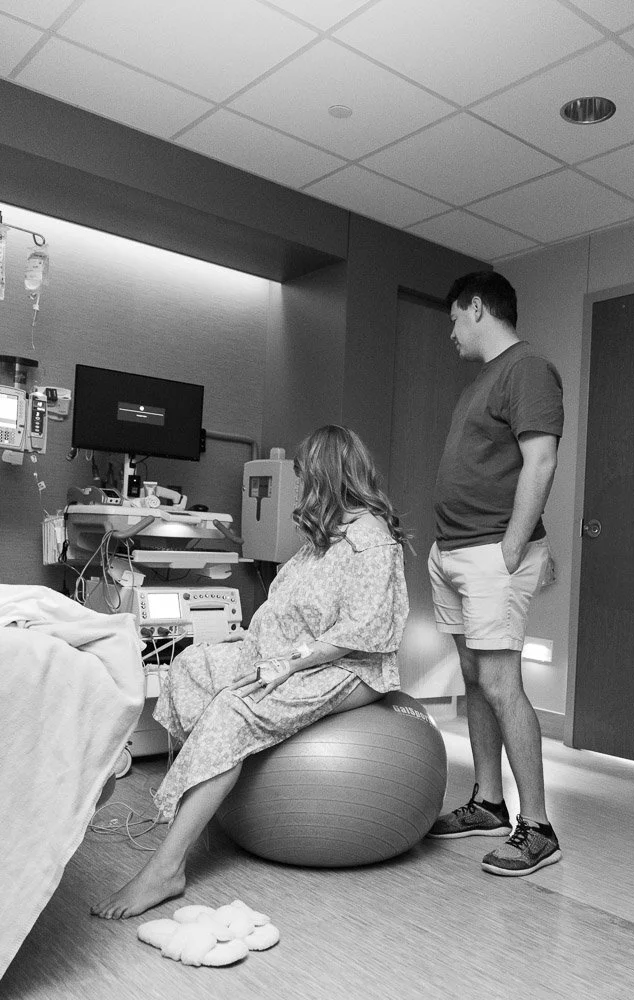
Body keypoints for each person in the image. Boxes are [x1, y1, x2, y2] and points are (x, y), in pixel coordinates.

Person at [92, 424, 409, 919]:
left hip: (349, 667)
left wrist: (285, 663)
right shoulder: (326, 537)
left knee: (232, 711)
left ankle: (166, 869)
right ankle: (203, 805)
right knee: (191, 667)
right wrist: (254, 640)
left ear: (327, 477)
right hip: (290, 650)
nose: (301, 489)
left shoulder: (371, 540)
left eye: (305, 478)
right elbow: (291, 604)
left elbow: (358, 633)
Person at [425, 271, 564, 877]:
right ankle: (488, 801)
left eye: (454, 318)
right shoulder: (483, 379)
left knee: (502, 683)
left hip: (489, 553)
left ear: (476, 308)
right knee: (476, 677)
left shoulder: (527, 368)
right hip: (453, 550)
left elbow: (541, 458)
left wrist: (511, 548)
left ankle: (537, 826)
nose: (452, 332)